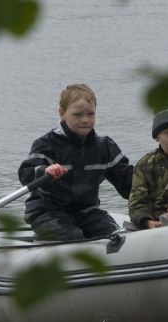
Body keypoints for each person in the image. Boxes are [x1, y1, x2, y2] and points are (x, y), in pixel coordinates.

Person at [18, 84, 133, 240]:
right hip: (47, 212)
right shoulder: (46, 144)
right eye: (78, 115)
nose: (85, 120)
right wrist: (44, 171)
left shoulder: (105, 147)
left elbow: (128, 183)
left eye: (90, 114)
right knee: (72, 236)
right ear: (62, 114)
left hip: (87, 212)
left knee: (115, 236)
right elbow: (26, 173)